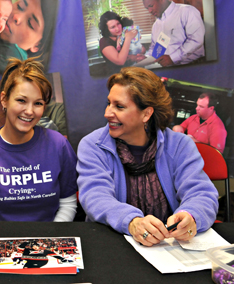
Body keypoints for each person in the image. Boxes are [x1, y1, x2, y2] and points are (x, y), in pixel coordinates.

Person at [77, 67, 218, 247]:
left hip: (168, 248)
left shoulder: (180, 145)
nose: (107, 113)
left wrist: (191, 216)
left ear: (146, 114)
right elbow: (95, 197)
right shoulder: (92, 145)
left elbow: (202, 193)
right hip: (112, 246)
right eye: (109, 103)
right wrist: (132, 221)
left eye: (119, 106)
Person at [0, 57, 77, 221]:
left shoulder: (58, 145)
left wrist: (50, 239)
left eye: (38, 103)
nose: (30, 111)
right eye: (21, 101)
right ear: (4, 99)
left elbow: (68, 203)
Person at [0, 0, 57, 74]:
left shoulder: (5, 60)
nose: (17, 17)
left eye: (30, 23)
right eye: (20, 6)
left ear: (37, 45)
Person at [141, 0, 205, 67]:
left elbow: (196, 40)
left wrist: (172, 58)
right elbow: (156, 48)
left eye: (151, 6)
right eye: (147, 8)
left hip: (193, 66)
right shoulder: (156, 25)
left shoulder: (187, 11)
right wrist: (147, 58)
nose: (149, 11)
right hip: (169, 69)